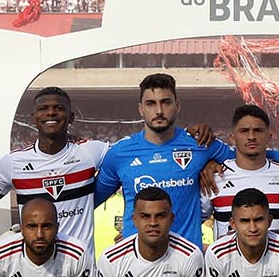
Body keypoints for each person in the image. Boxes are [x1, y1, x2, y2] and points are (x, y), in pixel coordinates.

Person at [94, 73, 231, 245]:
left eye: (166, 102)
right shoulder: (120, 153)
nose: (159, 111)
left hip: (186, 261)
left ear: (177, 105)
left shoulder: (201, 143)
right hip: (136, 261)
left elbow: (249, 163)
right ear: (141, 109)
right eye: (151, 103)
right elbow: (86, 203)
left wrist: (215, 162)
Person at [0, 86, 108, 254]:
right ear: (33, 117)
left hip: (81, 270)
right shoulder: (13, 163)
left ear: (71, 117)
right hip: (35, 268)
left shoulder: (90, 152)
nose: (51, 112)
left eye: (59, 108)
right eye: (43, 108)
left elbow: (128, 157)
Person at [207, 103, 279, 236]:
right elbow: (196, 220)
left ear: (269, 137)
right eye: (244, 131)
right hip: (228, 257)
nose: (251, 136)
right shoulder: (214, 177)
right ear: (232, 138)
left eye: (258, 130)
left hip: (278, 257)